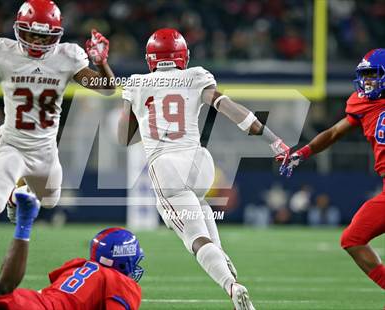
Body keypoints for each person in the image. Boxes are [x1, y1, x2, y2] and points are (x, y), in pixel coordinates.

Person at [118, 28, 290, 310]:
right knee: (202, 211)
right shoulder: (196, 75)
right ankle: (226, 269)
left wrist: (133, 105)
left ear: (150, 58)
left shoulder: (136, 82)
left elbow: (123, 137)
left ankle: (230, 285)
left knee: (195, 239)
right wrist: (274, 141)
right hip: (199, 162)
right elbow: (230, 109)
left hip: (166, 165)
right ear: (182, 56)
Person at [0, 0, 115, 223]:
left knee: (49, 200)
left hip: (45, 149)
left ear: (56, 35)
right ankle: (4, 199)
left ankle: (15, 197)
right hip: (12, 144)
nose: (36, 41)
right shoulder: (6, 54)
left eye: (43, 36)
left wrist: (101, 63)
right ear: (18, 29)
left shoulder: (67, 57)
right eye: (31, 34)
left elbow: (107, 89)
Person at [279, 48, 385, 290]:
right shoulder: (363, 103)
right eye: (366, 75)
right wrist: (303, 153)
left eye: (373, 74)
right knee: (352, 239)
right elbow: (334, 132)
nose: (368, 81)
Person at [0, 192, 144, 310]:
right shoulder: (121, 281)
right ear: (122, 259)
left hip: (32, 300)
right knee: (3, 294)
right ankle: (24, 223)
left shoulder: (80, 266)